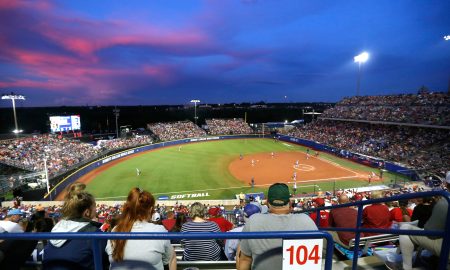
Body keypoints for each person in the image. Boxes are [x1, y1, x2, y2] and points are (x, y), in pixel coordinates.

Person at [238, 183, 319, 270]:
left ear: (267, 203)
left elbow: (245, 260)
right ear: (290, 203)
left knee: (240, 247)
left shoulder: (253, 221)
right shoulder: (307, 221)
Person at [385, 172, 450, 270]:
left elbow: (431, 232)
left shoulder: (444, 202)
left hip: (446, 247)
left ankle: (405, 267)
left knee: (405, 228)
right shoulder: (439, 202)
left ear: (446, 184)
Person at [106, 187, 176, 270]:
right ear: (150, 210)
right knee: (173, 255)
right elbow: (168, 260)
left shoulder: (115, 230)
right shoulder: (159, 231)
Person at [43, 187, 108, 269]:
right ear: (87, 212)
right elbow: (105, 262)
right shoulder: (94, 233)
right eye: (94, 206)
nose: (96, 209)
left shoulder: (56, 228)